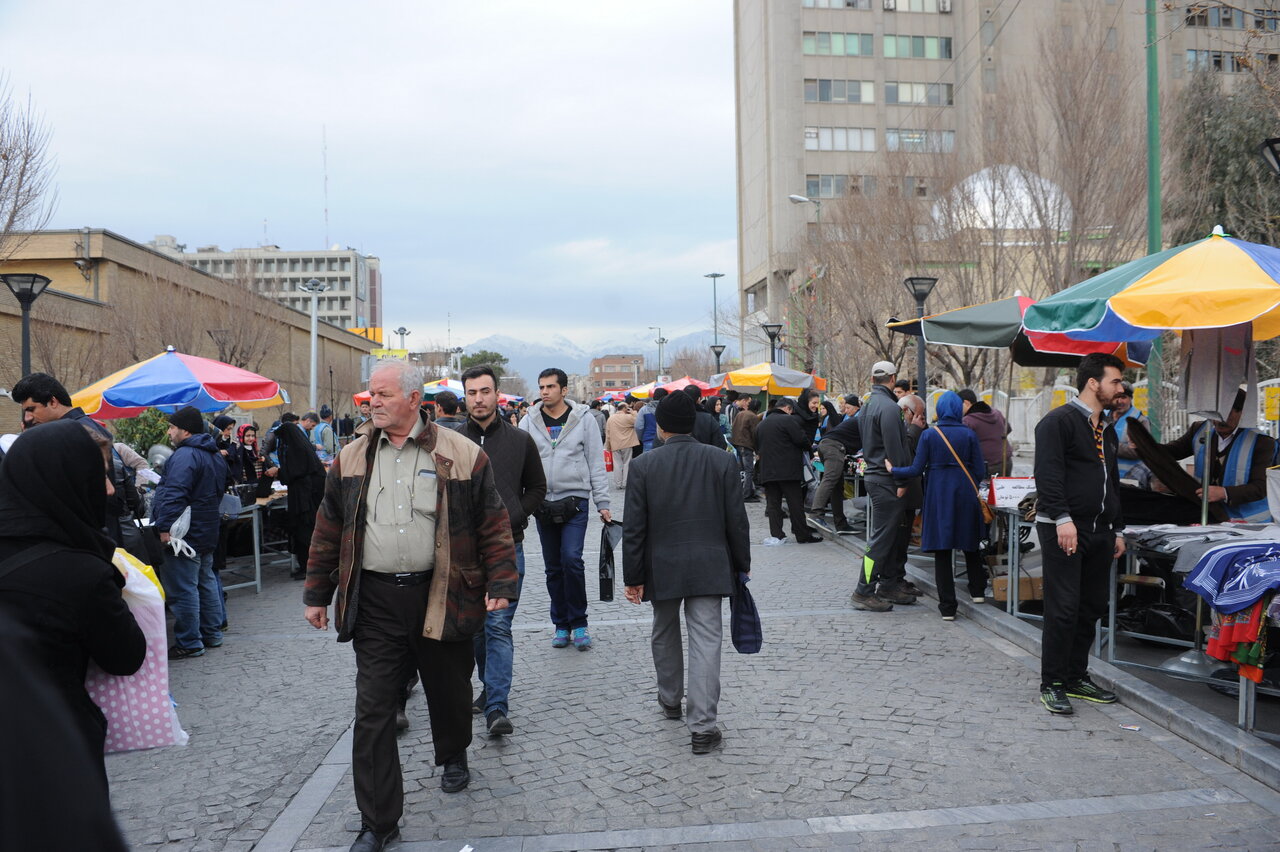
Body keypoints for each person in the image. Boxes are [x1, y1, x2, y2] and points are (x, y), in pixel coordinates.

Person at [303, 360, 518, 852]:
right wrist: (318, 592)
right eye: (369, 396)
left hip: (442, 591)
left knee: (449, 688)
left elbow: (493, 522)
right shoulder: (351, 458)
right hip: (375, 600)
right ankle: (378, 822)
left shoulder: (462, 454)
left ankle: (455, 752)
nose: (372, 402)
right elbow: (327, 528)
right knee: (374, 707)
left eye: (382, 394)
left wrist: (501, 581)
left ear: (413, 399)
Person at [0, 421, 146, 789]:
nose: (111, 490)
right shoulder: (79, 572)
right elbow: (125, 656)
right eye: (100, 476)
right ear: (64, 481)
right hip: (55, 758)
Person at [623, 391, 750, 755]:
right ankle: (703, 727)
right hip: (710, 563)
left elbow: (634, 527)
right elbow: (736, 521)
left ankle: (669, 699)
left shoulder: (644, 465)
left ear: (660, 427)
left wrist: (633, 577)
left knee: (664, 632)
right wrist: (742, 564)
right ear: (692, 424)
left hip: (660, 565)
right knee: (707, 641)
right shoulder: (721, 461)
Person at [1033, 352, 1126, 716]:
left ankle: (1075, 675)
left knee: (1091, 605)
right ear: (1093, 383)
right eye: (1115, 381)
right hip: (1065, 528)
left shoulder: (1108, 428)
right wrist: (1061, 518)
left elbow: (1113, 483)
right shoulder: (1057, 423)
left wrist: (1118, 527)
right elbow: (1048, 475)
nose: (1121, 387)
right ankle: (1053, 682)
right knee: (1064, 607)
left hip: (1101, 531)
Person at [460, 365, 547, 737]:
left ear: (497, 395)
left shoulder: (520, 441)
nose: (478, 399)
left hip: (510, 548)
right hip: (465, 554)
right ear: (465, 397)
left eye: (484, 391)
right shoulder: (451, 441)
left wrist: (513, 514)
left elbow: (538, 488)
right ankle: (488, 689)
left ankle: (497, 706)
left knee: (497, 627)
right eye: (472, 393)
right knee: (477, 631)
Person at [519, 368, 612, 650]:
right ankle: (561, 625)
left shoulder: (583, 419)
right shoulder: (528, 421)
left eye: (549, 386)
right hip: (542, 503)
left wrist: (603, 502)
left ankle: (580, 623)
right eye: (541, 386)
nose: (544, 391)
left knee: (572, 560)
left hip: (576, 501)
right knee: (553, 567)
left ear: (563, 389)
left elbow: (595, 461)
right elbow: (519, 463)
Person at [886, 391, 988, 618]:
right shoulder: (969, 434)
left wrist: (894, 470)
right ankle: (978, 591)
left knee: (943, 550)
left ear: (940, 410)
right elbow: (979, 471)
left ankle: (948, 607)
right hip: (964, 493)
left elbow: (915, 469)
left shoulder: (930, 435)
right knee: (969, 541)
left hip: (939, 495)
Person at [11, 372, 139, 547]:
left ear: (53, 402)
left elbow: (96, 495)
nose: (28, 417)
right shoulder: (80, 428)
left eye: (31, 409)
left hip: (89, 542)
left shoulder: (75, 434)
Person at [151, 405, 228, 659]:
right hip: (205, 529)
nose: (169, 431)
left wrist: (164, 527)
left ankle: (190, 641)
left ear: (185, 431)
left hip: (183, 533)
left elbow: (174, 493)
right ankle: (212, 633)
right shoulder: (213, 454)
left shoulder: (185, 455)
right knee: (205, 581)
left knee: (184, 588)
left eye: (172, 427)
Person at [850, 361, 917, 612]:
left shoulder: (867, 405)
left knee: (885, 538)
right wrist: (901, 479)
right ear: (892, 378)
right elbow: (896, 447)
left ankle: (887, 585)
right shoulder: (889, 407)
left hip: (875, 477)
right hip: (887, 480)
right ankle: (863, 590)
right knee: (879, 540)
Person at [265, 412, 327, 580]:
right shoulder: (301, 447)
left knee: (304, 533)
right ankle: (308, 567)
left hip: (304, 499)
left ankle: (308, 568)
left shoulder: (295, 450)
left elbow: (294, 472)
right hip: (306, 497)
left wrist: (278, 471)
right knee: (307, 533)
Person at [755, 398, 822, 544]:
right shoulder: (788, 420)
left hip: (768, 471)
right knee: (795, 503)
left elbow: (757, 445)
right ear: (787, 408)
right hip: (788, 470)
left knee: (773, 504)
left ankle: (777, 535)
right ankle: (802, 535)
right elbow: (802, 440)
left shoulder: (762, 424)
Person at [808, 397, 861, 534]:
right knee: (830, 479)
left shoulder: (859, 420)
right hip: (834, 447)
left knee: (837, 485)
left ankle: (841, 524)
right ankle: (816, 514)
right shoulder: (866, 422)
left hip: (828, 445)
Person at [958, 389, 1013, 478]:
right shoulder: (996, 413)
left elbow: (963, 445)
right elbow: (1008, 429)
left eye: (959, 405)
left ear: (966, 403)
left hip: (987, 466)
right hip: (1006, 461)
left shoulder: (967, 421)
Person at [1107, 381, 1149, 479]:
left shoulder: (1140, 420)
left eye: (1123, 397)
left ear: (1130, 399)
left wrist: (1109, 445)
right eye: (1116, 397)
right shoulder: (1102, 416)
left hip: (1130, 478)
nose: (1119, 401)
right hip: (1106, 478)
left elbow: (1140, 451)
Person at [730, 395, 761, 502]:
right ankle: (747, 494)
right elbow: (755, 435)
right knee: (749, 471)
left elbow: (733, 427)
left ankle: (746, 492)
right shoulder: (753, 417)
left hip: (737, 444)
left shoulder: (741, 413)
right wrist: (758, 451)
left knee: (743, 470)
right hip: (746, 445)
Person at [604, 396, 639, 488]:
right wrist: (633, 412)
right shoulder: (628, 417)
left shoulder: (610, 419)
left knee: (617, 464)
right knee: (627, 463)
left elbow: (608, 434)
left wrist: (608, 446)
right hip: (627, 443)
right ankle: (625, 483)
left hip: (615, 444)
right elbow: (637, 421)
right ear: (624, 408)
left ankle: (618, 483)